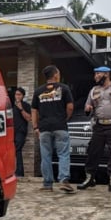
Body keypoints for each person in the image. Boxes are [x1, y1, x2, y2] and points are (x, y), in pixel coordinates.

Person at [31, 65, 75, 193]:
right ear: (55, 75)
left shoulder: (38, 91)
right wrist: (64, 119)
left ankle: (47, 184)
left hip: (44, 128)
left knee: (45, 155)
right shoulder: (64, 88)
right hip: (60, 126)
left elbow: (34, 110)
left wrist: (35, 127)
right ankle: (64, 180)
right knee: (63, 153)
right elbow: (70, 107)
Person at [13, 87, 32, 177]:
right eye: (16, 94)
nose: (17, 96)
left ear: (23, 96)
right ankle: (15, 171)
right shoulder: (12, 106)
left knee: (18, 149)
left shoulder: (26, 105)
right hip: (12, 131)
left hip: (21, 131)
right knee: (13, 151)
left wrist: (21, 109)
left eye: (19, 94)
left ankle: (19, 173)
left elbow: (29, 118)